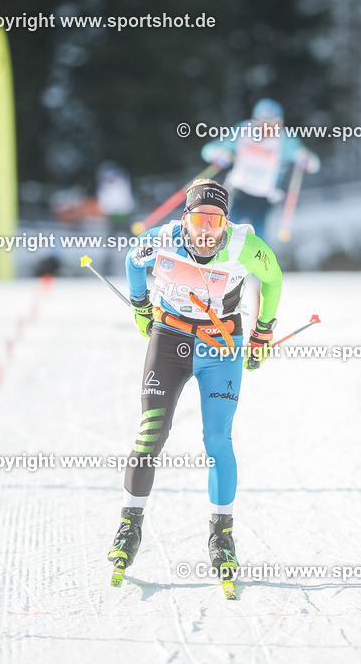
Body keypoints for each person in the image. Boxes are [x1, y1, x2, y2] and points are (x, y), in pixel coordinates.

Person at [107, 178, 282, 587]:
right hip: (169, 339)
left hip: (220, 345)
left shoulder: (244, 247)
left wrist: (263, 331)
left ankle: (221, 535)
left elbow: (272, 279)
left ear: (226, 223)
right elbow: (134, 263)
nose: (207, 231)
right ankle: (129, 526)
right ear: (184, 219)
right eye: (200, 219)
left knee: (217, 439)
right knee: (151, 431)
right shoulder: (162, 238)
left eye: (216, 221)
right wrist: (140, 305)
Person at [200, 99, 320, 242]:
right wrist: (218, 154)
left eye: (272, 124)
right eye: (262, 124)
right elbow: (208, 150)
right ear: (254, 120)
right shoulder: (243, 131)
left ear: (280, 123)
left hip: (263, 197)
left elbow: (313, 164)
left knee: (259, 241)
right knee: (225, 233)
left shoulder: (284, 139)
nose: (267, 129)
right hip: (238, 191)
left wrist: (306, 160)